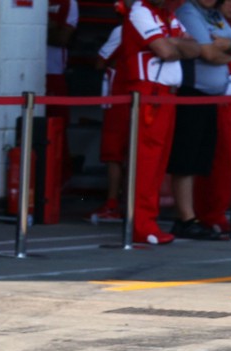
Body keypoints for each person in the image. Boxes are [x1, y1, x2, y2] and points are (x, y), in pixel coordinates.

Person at [115, 0, 201, 245]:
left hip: (165, 95)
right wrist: (175, 44)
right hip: (149, 94)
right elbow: (166, 51)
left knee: (157, 163)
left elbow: (196, 49)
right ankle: (141, 224)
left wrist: (173, 43)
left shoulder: (165, 15)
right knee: (146, 162)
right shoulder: (141, 12)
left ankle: (147, 221)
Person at [169, 0, 231, 240]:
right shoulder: (188, 11)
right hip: (192, 93)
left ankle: (193, 216)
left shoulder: (213, 16)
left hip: (211, 97)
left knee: (200, 159)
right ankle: (185, 219)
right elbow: (208, 53)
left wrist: (228, 45)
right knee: (186, 159)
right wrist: (228, 50)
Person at [92, 22, 126, 223]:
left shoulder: (123, 29)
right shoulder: (165, 26)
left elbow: (100, 61)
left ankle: (113, 204)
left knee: (114, 154)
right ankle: (127, 204)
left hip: (120, 99)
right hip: (150, 98)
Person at [46, 0, 78, 182]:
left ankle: (61, 177)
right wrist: (50, 27)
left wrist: (40, 29)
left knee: (58, 128)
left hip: (54, 73)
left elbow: (62, 38)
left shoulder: (68, 2)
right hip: (28, 72)